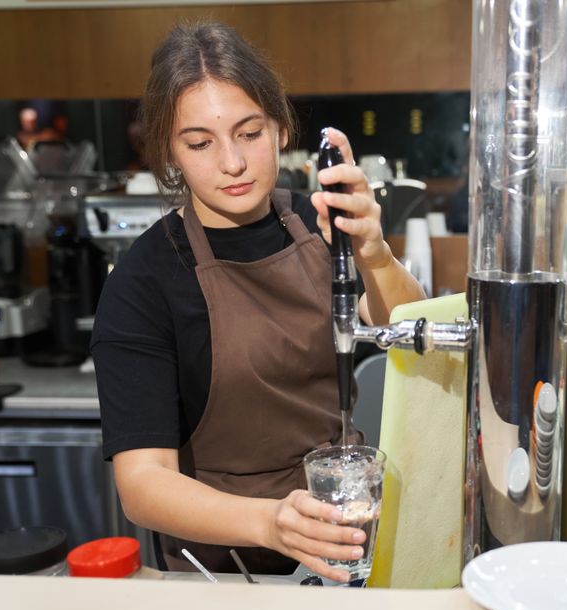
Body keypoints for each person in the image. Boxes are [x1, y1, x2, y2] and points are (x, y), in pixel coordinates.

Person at [90, 22, 425, 580]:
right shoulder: (143, 282)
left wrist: (375, 253)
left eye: (248, 133)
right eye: (200, 143)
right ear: (170, 152)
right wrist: (271, 522)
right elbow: (144, 485)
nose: (232, 162)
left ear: (280, 127)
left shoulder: (320, 221)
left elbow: (406, 331)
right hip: (227, 570)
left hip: (350, 537)